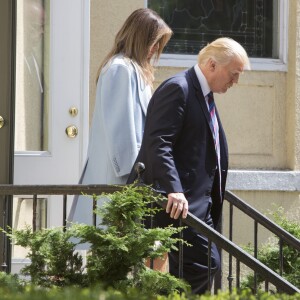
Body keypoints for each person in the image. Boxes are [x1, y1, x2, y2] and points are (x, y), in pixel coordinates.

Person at [127, 37, 250, 294]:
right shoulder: (179, 88)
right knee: (206, 264)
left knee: (201, 265)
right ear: (212, 65)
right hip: (176, 204)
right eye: (234, 74)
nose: (235, 82)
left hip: (196, 204)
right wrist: (174, 188)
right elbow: (158, 142)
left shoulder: (203, 94)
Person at [68, 8, 172, 225]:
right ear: (139, 38)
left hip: (130, 175)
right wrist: (135, 177)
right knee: (114, 244)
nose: (155, 50)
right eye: (153, 43)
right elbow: (120, 129)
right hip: (121, 176)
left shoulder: (135, 70)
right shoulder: (120, 69)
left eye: (159, 45)